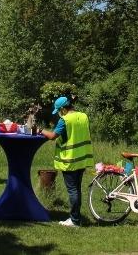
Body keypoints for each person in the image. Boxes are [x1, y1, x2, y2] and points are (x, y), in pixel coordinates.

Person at [39, 96, 94, 227]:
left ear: (63, 108)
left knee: (72, 190)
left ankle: (74, 220)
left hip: (70, 160)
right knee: (77, 189)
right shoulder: (83, 116)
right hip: (82, 159)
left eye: (59, 110)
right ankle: (77, 217)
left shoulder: (65, 120)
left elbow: (52, 136)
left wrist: (40, 130)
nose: (59, 113)